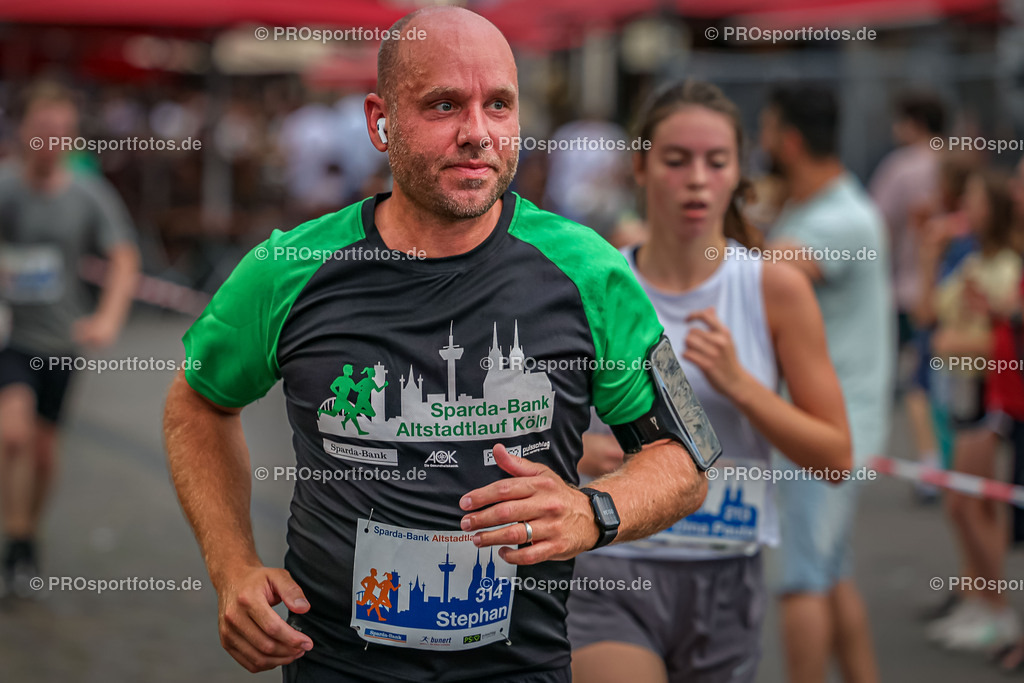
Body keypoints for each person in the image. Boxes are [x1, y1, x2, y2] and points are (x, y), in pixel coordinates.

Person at [163, 8, 708, 682]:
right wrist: (233, 566)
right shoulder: (291, 268)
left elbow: (683, 459)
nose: (477, 133)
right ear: (380, 121)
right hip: (337, 665)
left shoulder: (588, 271)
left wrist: (594, 510)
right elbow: (198, 401)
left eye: (499, 104)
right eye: (444, 105)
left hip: (518, 668)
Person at [566, 80, 852, 683]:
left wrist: (741, 384)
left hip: (724, 572)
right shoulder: (596, 283)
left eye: (716, 161)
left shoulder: (773, 288)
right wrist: (581, 452)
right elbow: (526, 421)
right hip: (613, 561)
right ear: (640, 168)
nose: (697, 179)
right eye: (676, 160)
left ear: (738, 172)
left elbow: (835, 457)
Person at [760, 84, 894, 683]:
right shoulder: (823, 207)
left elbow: (758, 278)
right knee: (831, 573)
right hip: (832, 425)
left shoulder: (837, 220)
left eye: (766, 131)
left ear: (789, 141)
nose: (760, 143)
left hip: (821, 432)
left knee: (802, 583)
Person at [0, 81, 140, 596]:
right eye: (42, 129)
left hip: (60, 341)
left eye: (61, 131)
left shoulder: (87, 193)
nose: (50, 140)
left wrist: (107, 318)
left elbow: (124, 257)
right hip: (10, 337)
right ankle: (16, 539)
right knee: (12, 434)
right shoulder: (5, 186)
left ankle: (25, 538)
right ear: (22, 130)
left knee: (42, 449)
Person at [926, 168, 1022, 652]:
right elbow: (928, 314)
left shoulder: (1007, 266)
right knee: (965, 503)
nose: (966, 206)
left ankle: (998, 608)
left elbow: (1002, 344)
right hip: (961, 392)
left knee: (969, 503)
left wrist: (956, 342)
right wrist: (928, 252)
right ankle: (982, 599)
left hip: (989, 396)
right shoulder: (971, 258)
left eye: (975, 199)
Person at [868, 92, 946, 501]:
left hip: (908, 289)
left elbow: (877, 224)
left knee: (917, 383)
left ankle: (931, 465)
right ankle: (949, 460)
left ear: (914, 122)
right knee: (946, 376)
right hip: (956, 288)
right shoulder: (955, 161)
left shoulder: (901, 167)